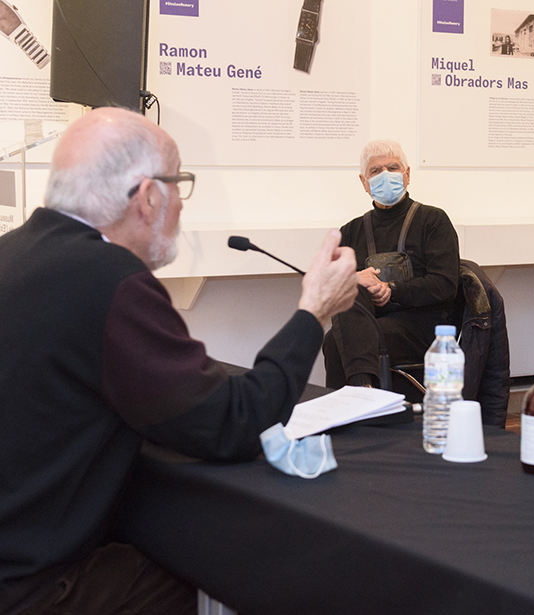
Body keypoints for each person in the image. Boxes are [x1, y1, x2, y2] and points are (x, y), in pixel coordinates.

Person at [0, 108, 358, 614]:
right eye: (179, 184)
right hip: (33, 585)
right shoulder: (108, 280)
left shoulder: (13, 253)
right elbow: (233, 423)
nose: (182, 205)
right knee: (212, 574)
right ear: (148, 197)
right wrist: (314, 312)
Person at [323, 139, 459, 391]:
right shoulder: (350, 231)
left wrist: (391, 290)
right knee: (348, 295)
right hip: (367, 322)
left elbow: (445, 284)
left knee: (348, 339)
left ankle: (360, 396)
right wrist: (355, 280)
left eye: (393, 168)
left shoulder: (433, 220)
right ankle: (361, 392)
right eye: (376, 171)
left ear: (407, 175)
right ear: (364, 182)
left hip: (421, 326)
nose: (385, 175)